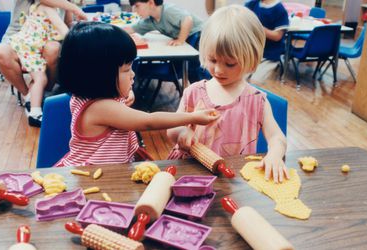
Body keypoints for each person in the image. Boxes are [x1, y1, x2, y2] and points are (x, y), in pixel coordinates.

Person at [54, 22, 220, 167]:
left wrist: (128, 92)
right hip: (94, 177)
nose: (133, 74)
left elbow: (116, 104)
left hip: (113, 169)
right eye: (126, 70)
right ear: (100, 76)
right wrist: (193, 117)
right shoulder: (101, 108)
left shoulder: (88, 94)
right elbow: (149, 121)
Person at [167, 5, 289, 183]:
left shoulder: (256, 101)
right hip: (191, 175)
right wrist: (182, 133)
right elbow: (171, 131)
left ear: (252, 62)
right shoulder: (193, 93)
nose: (218, 69)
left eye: (229, 64)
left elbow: (277, 137)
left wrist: (275, 156)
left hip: (234, 178)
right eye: (212, 60)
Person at [0, 0, 87, 125]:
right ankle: (30, 98)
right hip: (27, 41)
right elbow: (64, 31)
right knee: (39, 78)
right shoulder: (46, 6)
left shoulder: (48, 7)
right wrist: (76, 11)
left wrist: (78, 25)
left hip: (40, 40)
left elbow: (66, 24)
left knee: (46, 65)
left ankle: (39, 97)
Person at [8, 2, 69, 127]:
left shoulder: (36, 6)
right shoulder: (48, 8)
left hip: (26, 46)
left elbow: (44, 28)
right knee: (41, 79)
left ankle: (32, 100)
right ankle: (35, 113)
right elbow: (65, 31)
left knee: (40, 79)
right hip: (29, 49)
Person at [245, 0, 289, 82]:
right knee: (239, 79)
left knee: (255, 81)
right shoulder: (252, 4)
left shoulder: (279, 10)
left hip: (269, 56)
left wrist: (259, 28)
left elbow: (277, 36)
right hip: (250, 53)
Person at [125, 0, 203, 46]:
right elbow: (131, 28)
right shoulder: (150, 20)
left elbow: (187, 20)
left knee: (199, 68)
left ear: (151, 3)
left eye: (137, 6)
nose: (134, 10)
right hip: (190, 38)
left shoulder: (168, 10)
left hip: (200, 35)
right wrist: (113, 29)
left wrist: (180, 40)